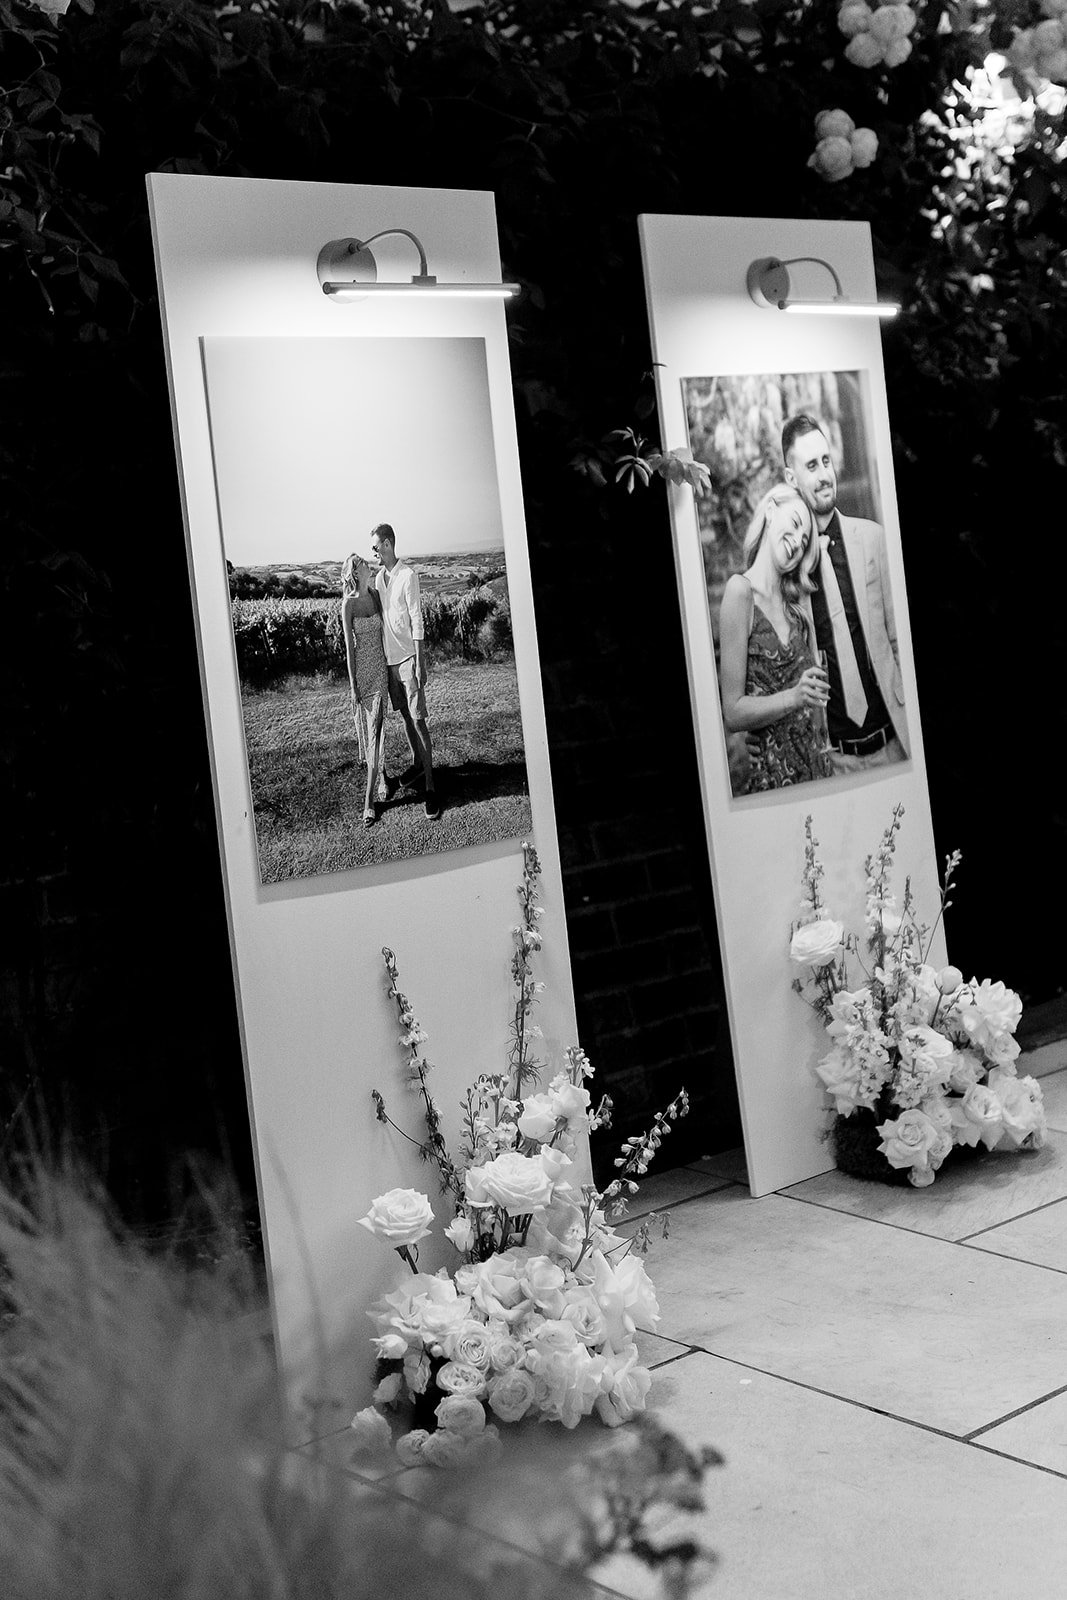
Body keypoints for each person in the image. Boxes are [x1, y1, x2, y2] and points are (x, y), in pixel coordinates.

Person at [781, 412, 909, 774]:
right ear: (792, 477)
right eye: (811, 465)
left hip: (896, 744)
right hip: (835, 763)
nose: (823, 475)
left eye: (825, 461)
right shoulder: (788, 572)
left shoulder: (873, 539)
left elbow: (899, 643)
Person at [719, 484, 833, 793]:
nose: (797, 542)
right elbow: (732, 712)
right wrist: (794, 697)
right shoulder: (739, 592)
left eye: (804, 540)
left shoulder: (797, 613)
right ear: (771, 510)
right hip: (771, 778)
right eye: (795, 524)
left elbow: (817, 706)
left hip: (816, 770)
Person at [369, 522, 439, 820]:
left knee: (419, 720)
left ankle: (431, 787)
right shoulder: (380, 579)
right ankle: (418, 765)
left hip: (409, 659)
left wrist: (421, 661)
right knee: (407, 720)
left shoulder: (407, 575)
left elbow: (416, 619)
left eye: (375, 546)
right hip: (389, 663)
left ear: (387, 543)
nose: (373, 551)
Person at [340, 553, 388, 828]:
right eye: (364, 565)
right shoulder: (348, 605)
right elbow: (349, 648)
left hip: (380, 670)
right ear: (356, 572)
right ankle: (382, 774)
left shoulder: (376, 596)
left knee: (377, 730)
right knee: (372, 731)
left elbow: (385, 634)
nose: (370, 566)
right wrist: (353, 684)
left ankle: (369, 800)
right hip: (362, 674)